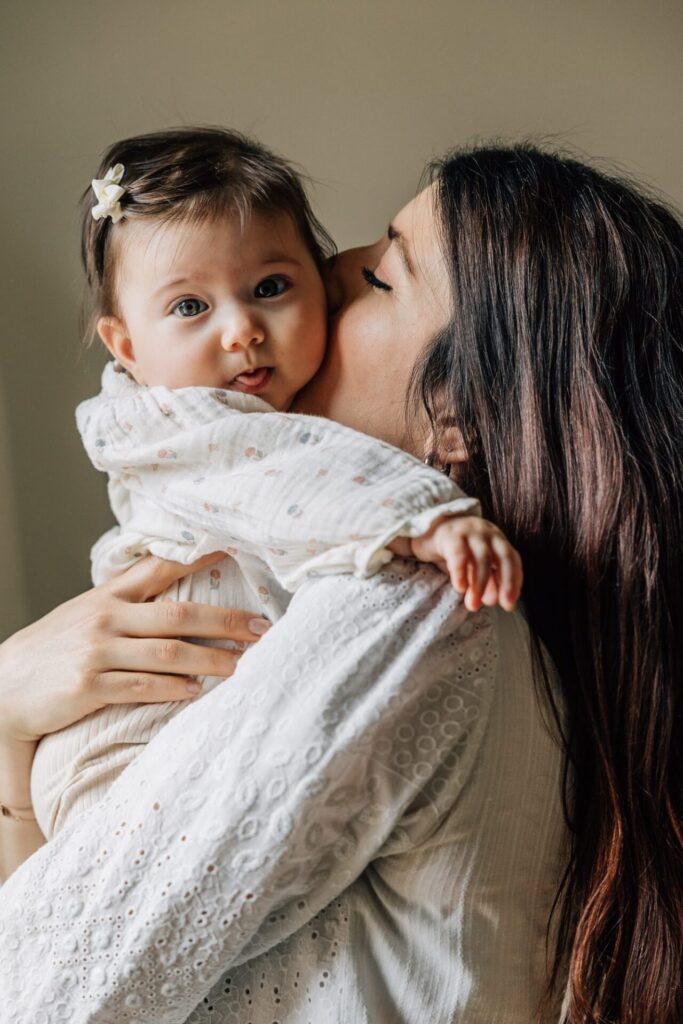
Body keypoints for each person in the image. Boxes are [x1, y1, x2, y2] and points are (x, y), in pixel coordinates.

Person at [0, 142, 681, 1024]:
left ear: (458, 420)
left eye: (383, 277)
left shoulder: (417, 606)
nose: (331, 268)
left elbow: (41, 984)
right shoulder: (459, 613)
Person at [30, 127, 521, 840]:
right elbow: (290, 467)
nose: (241, 331)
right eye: (190, 307)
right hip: (134, 725)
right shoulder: (186, 424)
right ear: (128, 348)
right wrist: (428, 518)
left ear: (317, 283)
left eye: (269, 288)